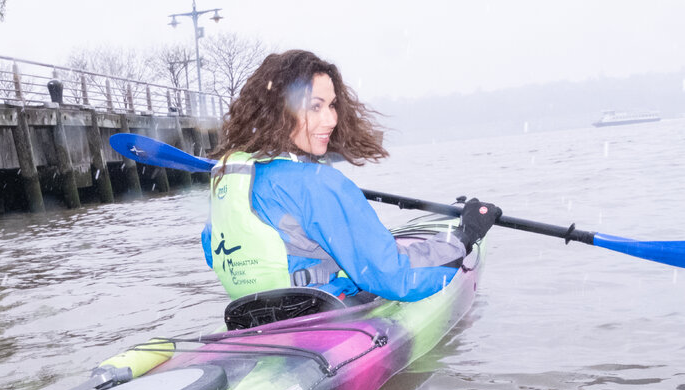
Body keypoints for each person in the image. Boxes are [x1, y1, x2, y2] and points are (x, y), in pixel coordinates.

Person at [201, 50, 500, 302]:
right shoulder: (319, 185)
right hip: (317, 318)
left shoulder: (229, 176)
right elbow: (395, 276)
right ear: (280, 110)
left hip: (255, 314)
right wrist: (465, 237)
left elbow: (213, 250)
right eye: (315, 107)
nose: (331, 119)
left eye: (332, 105)